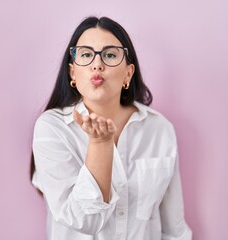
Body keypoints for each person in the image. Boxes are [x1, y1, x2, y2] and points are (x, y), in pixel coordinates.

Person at [30, 16, 192, 240]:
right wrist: (100, 144)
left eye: (110, 54)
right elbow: (85, 221)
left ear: (128, 73)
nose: (97, 64)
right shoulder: (52, 128)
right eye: (86, 54)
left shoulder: (159, 129)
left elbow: (174, 230)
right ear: (72, 73)